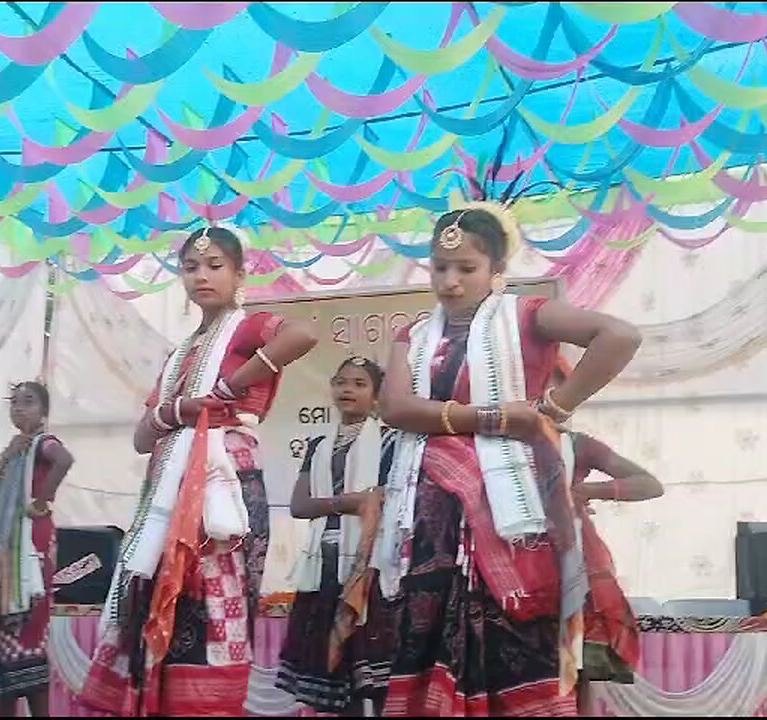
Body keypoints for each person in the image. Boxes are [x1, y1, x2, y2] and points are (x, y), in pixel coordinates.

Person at [371, 200, 642, 717]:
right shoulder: (413, 335)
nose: (450, 282)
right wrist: (501, 418)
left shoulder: (528, 315)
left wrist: (551, 408)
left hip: (513, 513)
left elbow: (620, 336)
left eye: (466, 269)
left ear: (497, 271)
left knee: (519, 636)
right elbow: (398, 408)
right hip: (434, 519)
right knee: (429, 634)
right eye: (440, 267)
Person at [79, 226, 319, 716]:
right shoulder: (181, 352)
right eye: (191, 267)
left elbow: (304, 335)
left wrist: (231, 387)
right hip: (172, 481)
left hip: (223, 484)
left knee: (213, 604)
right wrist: (177, 412)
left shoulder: (248, 329)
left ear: (239, 274)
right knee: (159, 600)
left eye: (215, 266)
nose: (202, 276)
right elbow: (143, 438)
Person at [277, 357, 398, 715]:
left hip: (370, 563)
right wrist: (347, 502)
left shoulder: (391, 442)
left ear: (377, 396)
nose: (347, 390)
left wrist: (340, 504)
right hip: (324, 565)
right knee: (328, 670)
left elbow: (389, 499)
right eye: (341, 382)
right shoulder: (317, 445)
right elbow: (299, 506)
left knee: (368, 670)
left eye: (360, 384)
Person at [552, 359, 662, 713]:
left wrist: (591, 490)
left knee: (580, 666)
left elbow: (649, 483)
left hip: (574, 566)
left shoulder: (578, 445)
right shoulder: (495, 444)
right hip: (513, 565)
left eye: (559, 388)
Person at [0, 381, 74, 717]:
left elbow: (64, 460)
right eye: (15, 403)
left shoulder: (43, 444)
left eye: (29, 402)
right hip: (2, 556)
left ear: (44, 412)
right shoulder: (15, 453)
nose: (20, 408)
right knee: (2, 659)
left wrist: (42, 499)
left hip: (30, 552)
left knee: (28, 645)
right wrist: (6, 458)